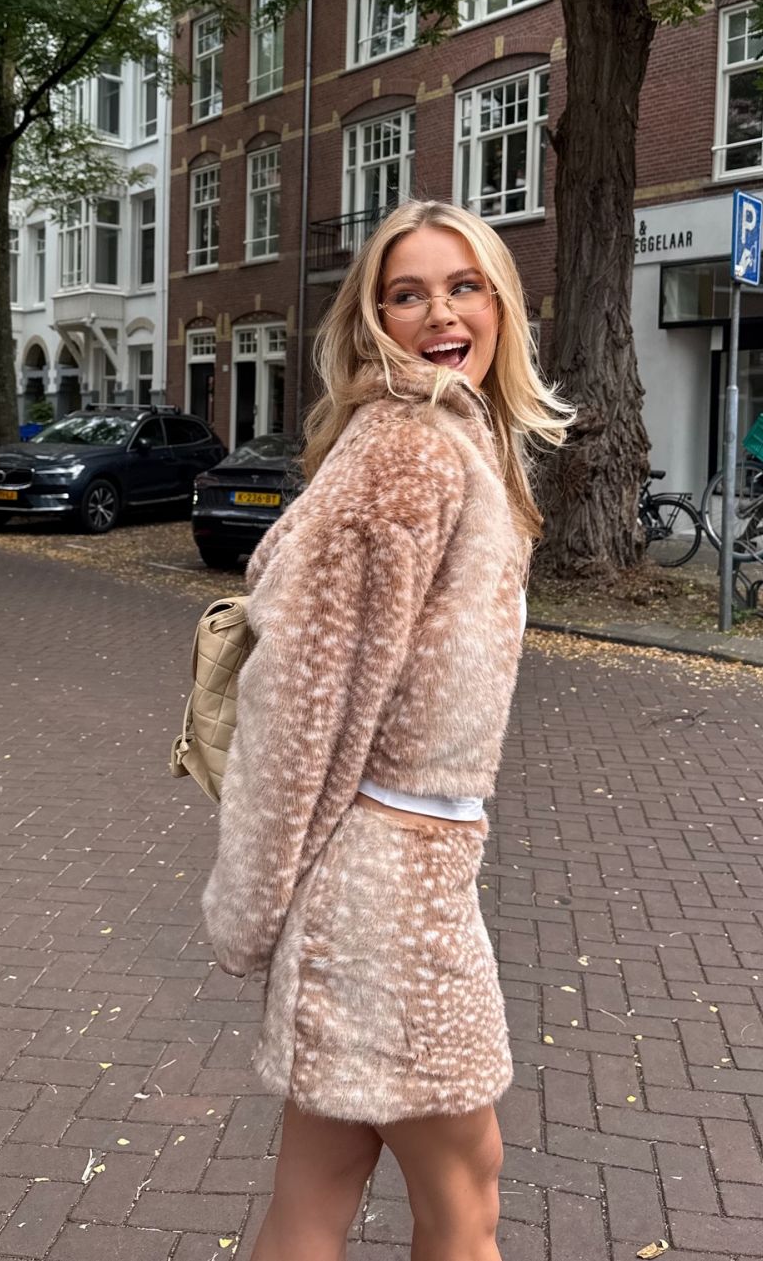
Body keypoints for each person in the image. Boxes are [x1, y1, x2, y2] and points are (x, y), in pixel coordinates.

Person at [202, 200, 573, 1261]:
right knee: (465, 1198)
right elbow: (300, 695)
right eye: (406, 294)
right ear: (373, 319)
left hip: (398, 871)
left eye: (463, 287)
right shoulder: (410, 447)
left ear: (500, 302)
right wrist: (252, 902)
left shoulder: (454, 439)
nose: (439, 313)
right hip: (389, 890)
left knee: (317, 1194)